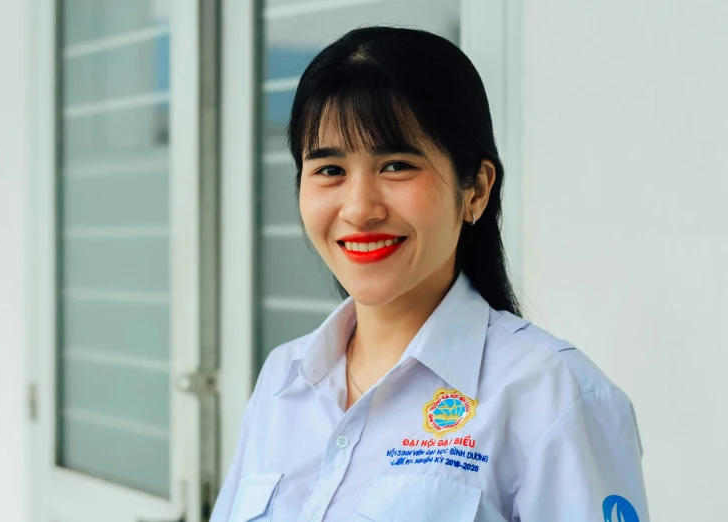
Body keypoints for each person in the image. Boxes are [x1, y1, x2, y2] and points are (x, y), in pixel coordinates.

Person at [210, 26, 648, 522]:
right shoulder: (283, 380)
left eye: (396, 165)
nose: (359, 208)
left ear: (476, 191)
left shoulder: (554, 396)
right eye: (329, 170)